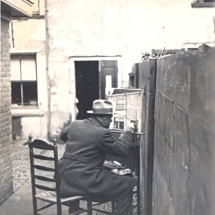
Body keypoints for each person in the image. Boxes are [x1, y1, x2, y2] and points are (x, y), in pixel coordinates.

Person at [58, 99, 138, 215]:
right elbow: (123, 150)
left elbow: (63, 136)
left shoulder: (75, 124)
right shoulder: (102, 133)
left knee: (108, 170)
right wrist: (128, 133)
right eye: (110, 119)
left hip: (65, 178)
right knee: (127, 182)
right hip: (83, 180)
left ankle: (74, 210)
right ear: (105, 118)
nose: (110, 121)